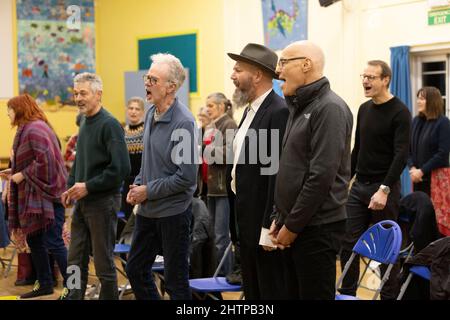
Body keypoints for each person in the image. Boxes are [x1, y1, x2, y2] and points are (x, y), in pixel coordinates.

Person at [268, 41, 353, 300]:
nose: (278, 71)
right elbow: (291, 169)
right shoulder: (299, 106)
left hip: (316, 228)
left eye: (283, 62)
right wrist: (279, 216)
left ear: (306, 65)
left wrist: (291, 226)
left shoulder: (329, 108)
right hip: (295, 224)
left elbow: (321, 176)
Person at [125, 53, 198, 300]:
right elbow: (150, 163)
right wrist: (138, 184)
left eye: (153, 79)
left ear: (171, 87)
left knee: (176, 283)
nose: (147, 82)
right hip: (148, 212)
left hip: (173, 214)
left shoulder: (184, 123)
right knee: (135, 269)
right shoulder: (150, 114)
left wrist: (148, 190)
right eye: (147, 77)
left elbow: (187, 178)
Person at [340, 60, 411, 300]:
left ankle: (388, 297)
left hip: (384, 188)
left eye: (371, 77)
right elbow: (357, 150)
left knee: (384, 251)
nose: (365, 81)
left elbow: (401, 155)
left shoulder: (400, 112)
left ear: (385, 80)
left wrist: (384, 189)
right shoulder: (364, 109)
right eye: (364, 76)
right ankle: (347, 294)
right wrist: (344, 182)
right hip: (359, 187)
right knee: (347, 244)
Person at [227, 43, 289, 299]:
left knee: (268, 290)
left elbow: (274, 174)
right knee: (252, 290)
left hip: (261, 222)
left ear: (257, 75)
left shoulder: (278, 110)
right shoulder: (250, 110)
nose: (232, 75)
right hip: (245, 217)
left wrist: (267, 226)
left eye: (238, 69)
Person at [62, 73, 131, 300]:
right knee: (74, 261)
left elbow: (121, 169)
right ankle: (73, 297)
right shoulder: (83, 120)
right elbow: (80, 161)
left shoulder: (110, 124)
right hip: (82, 202)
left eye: (83, 93)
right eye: (75, 93)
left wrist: (88, 187)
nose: (78, 98)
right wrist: (71, 187)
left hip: (102, 203)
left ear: (98, 94)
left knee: (103, 265)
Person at [5, 94, 68, 299]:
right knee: (35, 241)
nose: (8, 113)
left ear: (20, 109)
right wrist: (14, 171)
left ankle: (74, 287)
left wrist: (22, 174)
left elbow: (47, 160)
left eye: (10, 109)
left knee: (55, 242)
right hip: (37, 198)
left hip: (48, 196)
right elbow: (33, 159)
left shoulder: (34, 128)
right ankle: (45, 284)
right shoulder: (28, 129)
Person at [203, 92, 237, 275]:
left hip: (224, 188)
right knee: (213, 235)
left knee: (222, 236)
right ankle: (218, 271)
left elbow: (230, 153)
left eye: (211, 106)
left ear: (221, 106)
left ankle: (226, 273)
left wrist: (207, 150)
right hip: (211, 188)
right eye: (207, 106)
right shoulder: (211, 126)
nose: (207, 109)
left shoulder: (229, 124)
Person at [408, 86, 450, 196]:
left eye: (422, 99)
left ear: (432, 101)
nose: (418, 101)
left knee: (436, 213)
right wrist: (412, 168)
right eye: (418, 98)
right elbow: (408, 149)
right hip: (417, 178)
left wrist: (421, 171)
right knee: (419, 211)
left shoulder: (443, 122)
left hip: (436, 177)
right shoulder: (416, 121)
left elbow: (443, 154)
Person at [118, 97, 146, 240]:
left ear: (142, 112)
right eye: (131, 108)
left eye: (137, 109)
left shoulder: (147, 130)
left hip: (142, 182)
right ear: (126, 110)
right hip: (126, 183)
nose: (133, 112)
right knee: (127, 223)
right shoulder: (122, 131)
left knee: (141, 221)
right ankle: (126, 260)